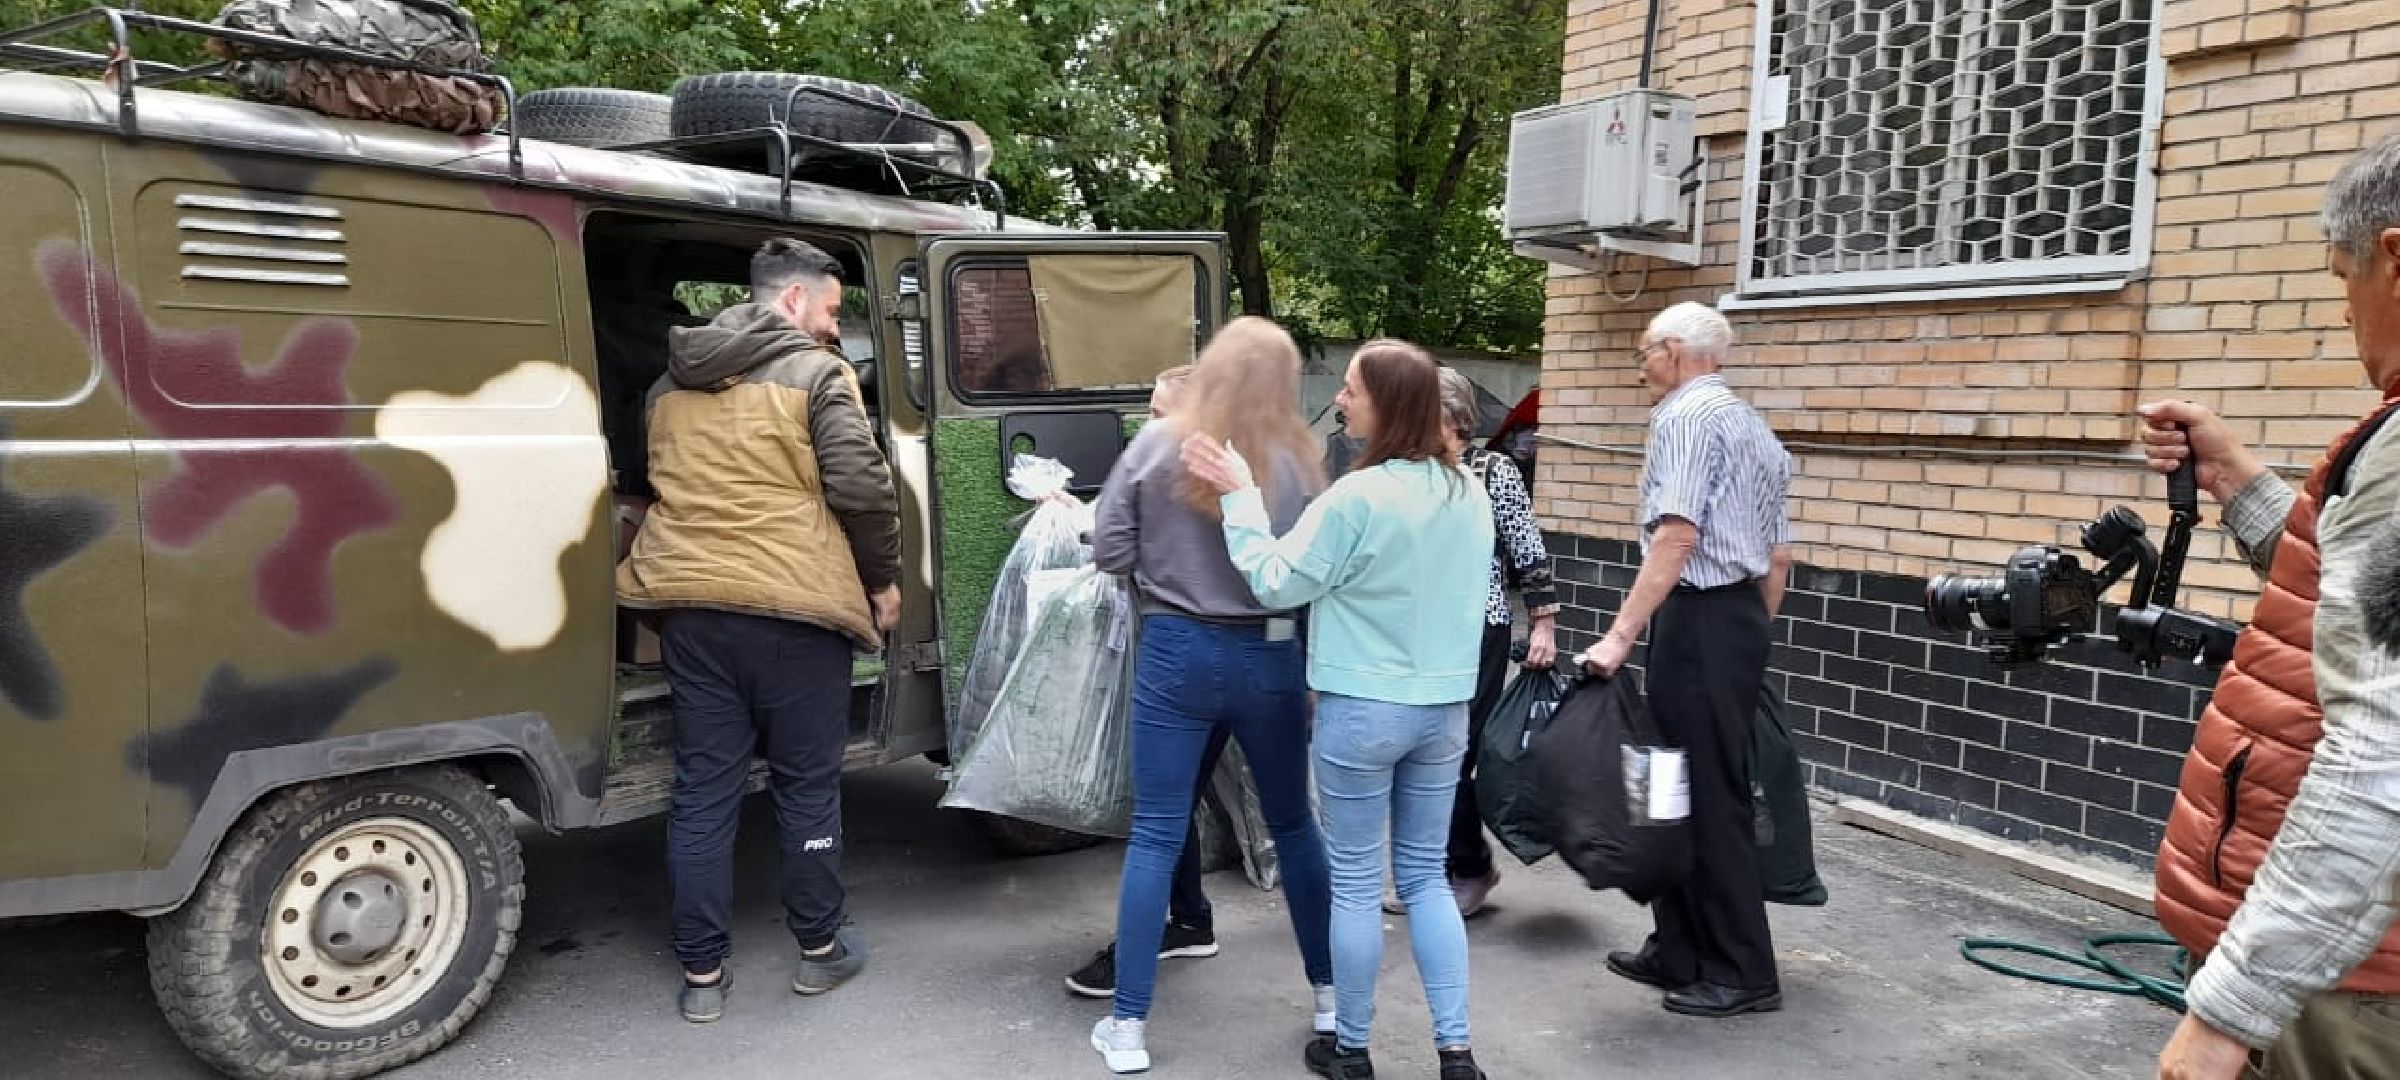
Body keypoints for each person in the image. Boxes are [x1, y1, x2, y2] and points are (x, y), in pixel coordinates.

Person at [2144, 131, 2400, 1080]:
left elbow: (2383, 756)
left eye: (2345, 279)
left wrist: (2232, 1010)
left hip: (2351, 988)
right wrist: (2238, 481)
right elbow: (2367, 595)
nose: (2346, 314)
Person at [1185, 339, 1495, 1080]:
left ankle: (1351, 1049)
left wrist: (1238, 494)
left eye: (1353, 388)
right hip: (1444, 710)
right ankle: (1457, 1053)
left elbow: (1275, 582)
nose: (1343, 399)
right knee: (1424, 879)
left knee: (1356, 883)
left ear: (1386, 404)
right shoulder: (1468, 493)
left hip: (1362, 710)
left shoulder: (1357, 497)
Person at [616, 238, 902, 1024]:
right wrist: (880, 580)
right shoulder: (819, 375)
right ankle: (819, 951)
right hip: (794, 611)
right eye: (832, 311)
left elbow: (652, 479)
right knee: (806, 788)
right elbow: (861, 486)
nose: (834, 330)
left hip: (692, 611)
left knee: (704, 790)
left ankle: (702, 976)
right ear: (792, 301)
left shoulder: (666, 384)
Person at [1082, 320, 1334, 1074]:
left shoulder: (1158, 443)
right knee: (1295, 826)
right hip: (1273, 651)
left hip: (1177, 650)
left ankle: (1127, 1030)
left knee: (1157, 833)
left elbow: (1110, 550)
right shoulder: (1301, 456)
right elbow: (1311, 570)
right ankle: (1329, 1001)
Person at [1581, 301, 1792, 1020]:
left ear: (1673, 350)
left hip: (1699, 619)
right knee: (1666, 786)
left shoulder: (1684, 417)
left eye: (1643, 352)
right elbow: (1779, 556)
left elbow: (1676, 534)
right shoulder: (1752, 426)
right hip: (1729, 619)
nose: (1640, 366)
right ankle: (1677, 946)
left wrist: (1620, 635)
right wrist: (1745, 637)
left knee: (1701, 796)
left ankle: (1741, 970)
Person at [1064, 361, 1236, 1001]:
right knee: (1175, 800)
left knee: (1159, 814)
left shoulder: (1166, 467)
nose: (1150, 424)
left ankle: (1140, 965)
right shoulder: (1237, 468)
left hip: (1190, 664)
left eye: (1161, 414)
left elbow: (1113, 551)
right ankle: (1191, 920)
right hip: (1245, 664)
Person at [1425, 367, 1558, 917]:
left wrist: (1543, 626)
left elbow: (1528, 549)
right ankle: (1430, 872)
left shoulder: (1493, 469)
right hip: (1419, 631)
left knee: (1454, 753)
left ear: (1452, 418)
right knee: (1424, 753)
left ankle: (1471, 867)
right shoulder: (1408, 471)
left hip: (1479, 628)